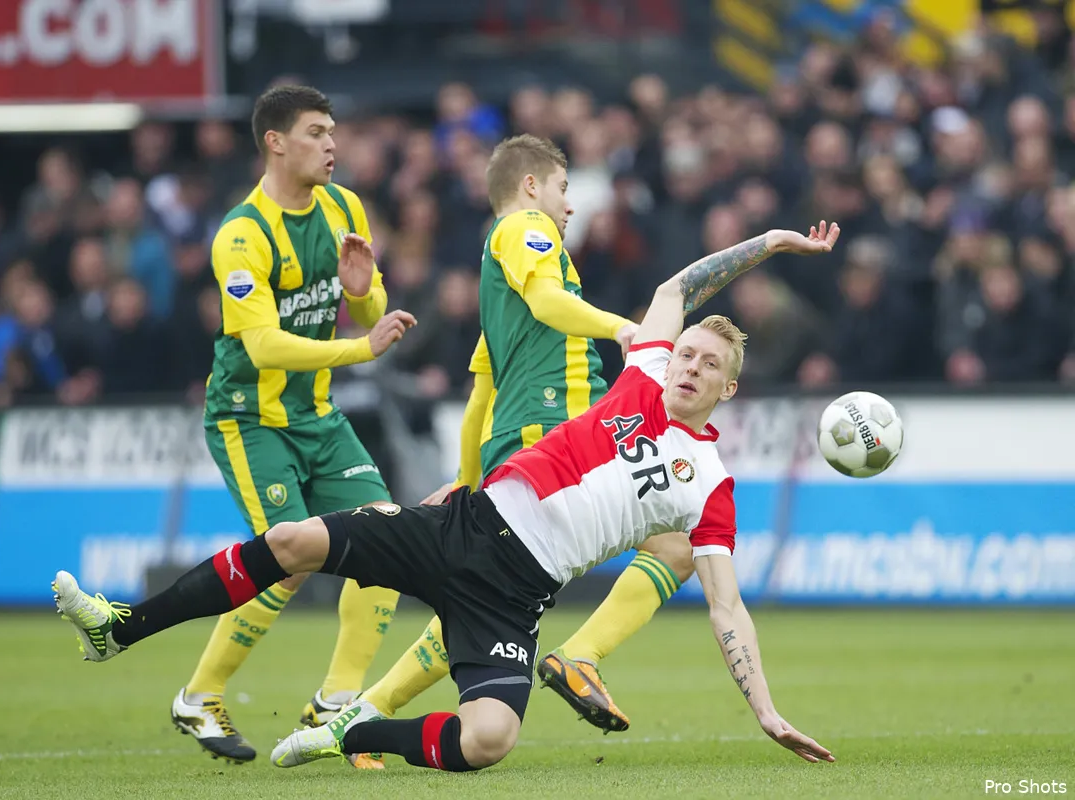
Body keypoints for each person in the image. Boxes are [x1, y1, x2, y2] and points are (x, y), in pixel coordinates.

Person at [51, 220, 842, 772]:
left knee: (490, 739)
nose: (690, 365)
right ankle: (120, 628)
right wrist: (772, 243)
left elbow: (726, 607)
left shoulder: (712, 488)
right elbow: (678, 285)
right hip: (465, 526)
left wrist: (766, 710)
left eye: (709, 364)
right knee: (293, 543)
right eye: (688, 352)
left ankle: (353, 731)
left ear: (729, 388)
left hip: (516, 596)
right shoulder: (639, 374)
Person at [359, 134, 696, 736]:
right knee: (670, 545)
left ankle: (365, 708)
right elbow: (549, 300)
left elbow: (478, 400)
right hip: (552, 442)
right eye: (564, 189)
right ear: (532, 186)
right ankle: (575, 658)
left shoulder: (504, 296)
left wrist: (465, 488)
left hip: (546, 442)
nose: (570, 206)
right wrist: (626, 330)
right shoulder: (523, 232)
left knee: (486, 596)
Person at [169, 84, 416, 766]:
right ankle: (199, 696)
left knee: (386, 540)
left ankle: (335, 702)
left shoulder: (344, 207)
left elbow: (369, 311)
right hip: (249, 418)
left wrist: (365, 294)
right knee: (291, 559)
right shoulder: (241, 235)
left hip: (315, 415)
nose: (332, 143)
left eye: (332, 130)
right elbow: (263, 347)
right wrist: (356, 350)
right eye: (315, 132)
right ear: (275, 142)